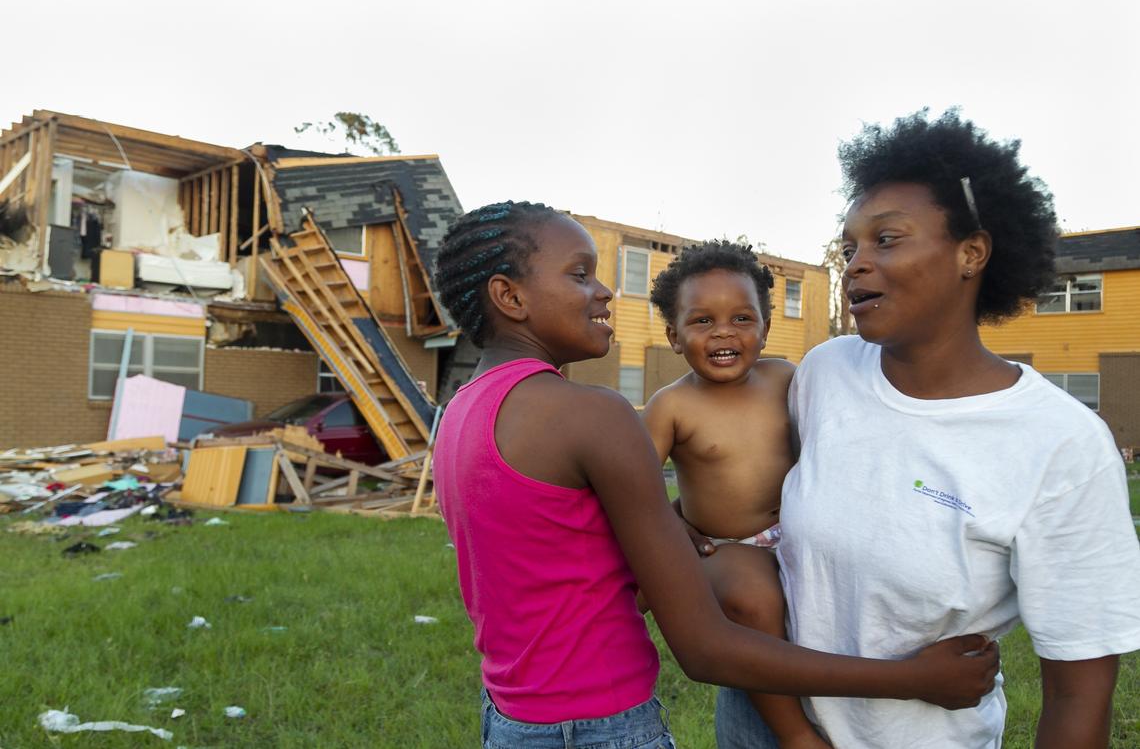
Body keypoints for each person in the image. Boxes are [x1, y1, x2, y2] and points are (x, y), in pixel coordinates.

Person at [431, 200, 999, 748]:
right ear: (509, 296)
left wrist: (674, 520)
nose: (604, 291)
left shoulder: (461, 413)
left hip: (512, 717)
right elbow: (705, 649)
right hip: (602, 725)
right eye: (581, 275)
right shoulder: (593, 414)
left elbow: (570, 542)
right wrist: (915, 681)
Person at [716, 110, 1140, 748]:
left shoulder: (1062, 446)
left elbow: (1079, 691)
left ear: (971, 253)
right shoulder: (826, 373)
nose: (856, 264)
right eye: (849, 246)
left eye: (886, 239)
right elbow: (752, 506)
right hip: (762, 724)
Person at [642, 241, 826, 747]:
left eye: (742, 318)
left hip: (798, 534)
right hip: (727, 547)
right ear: (674, 336)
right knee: (752, 600)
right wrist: (673, 520)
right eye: (702, 321)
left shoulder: (786, 379)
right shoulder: (671, 405)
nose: (724, 331)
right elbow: (633, 486)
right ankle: (794, 734)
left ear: (765, 330)